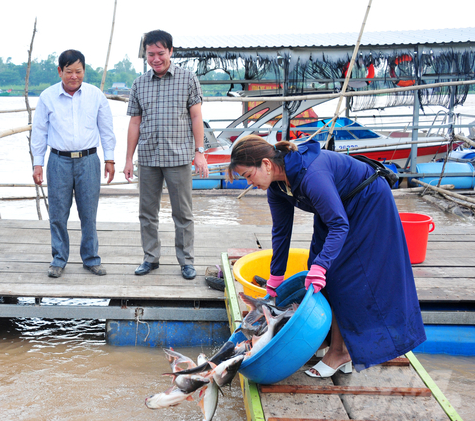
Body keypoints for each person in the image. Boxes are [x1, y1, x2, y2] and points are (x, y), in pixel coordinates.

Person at [227, 135, 426, 375]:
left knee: (340, 274)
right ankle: (332, 341)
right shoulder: (277, 187)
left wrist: (322, 267)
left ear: (267, 164)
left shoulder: (312, 175)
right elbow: (281, 231)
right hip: (336, 207)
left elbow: (339, 226)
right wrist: (275, 277)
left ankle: (342, 353)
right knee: (316, 265)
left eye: (249, 175)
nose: (250, 183)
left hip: (368, 202)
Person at [124, 30, 209, 280]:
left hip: (178, 156)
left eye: (161, 53)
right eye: (151, 54)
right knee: (147, 212)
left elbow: (196, 117)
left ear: (171, 51)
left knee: (182, 213)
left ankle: (186, 261)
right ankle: (150, 257)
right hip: (148, 157)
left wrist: (199, 152)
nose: (156, 59)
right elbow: (134, 124)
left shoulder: (187, 79)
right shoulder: (139, 83)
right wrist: (129, 159)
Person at [31, 49, 116, 278]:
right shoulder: (47, 97)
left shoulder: (95, 95)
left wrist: (110, 158)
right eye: (69, 71)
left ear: (84, 71)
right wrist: (37, 164)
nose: (74, 76)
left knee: (89, 213)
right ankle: (59, 259)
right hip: (58, 160)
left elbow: (106, 130)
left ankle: (91, 259)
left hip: (89, 160)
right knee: (58, 214)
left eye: (78, 71)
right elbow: (39, 132)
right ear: (60, 71)